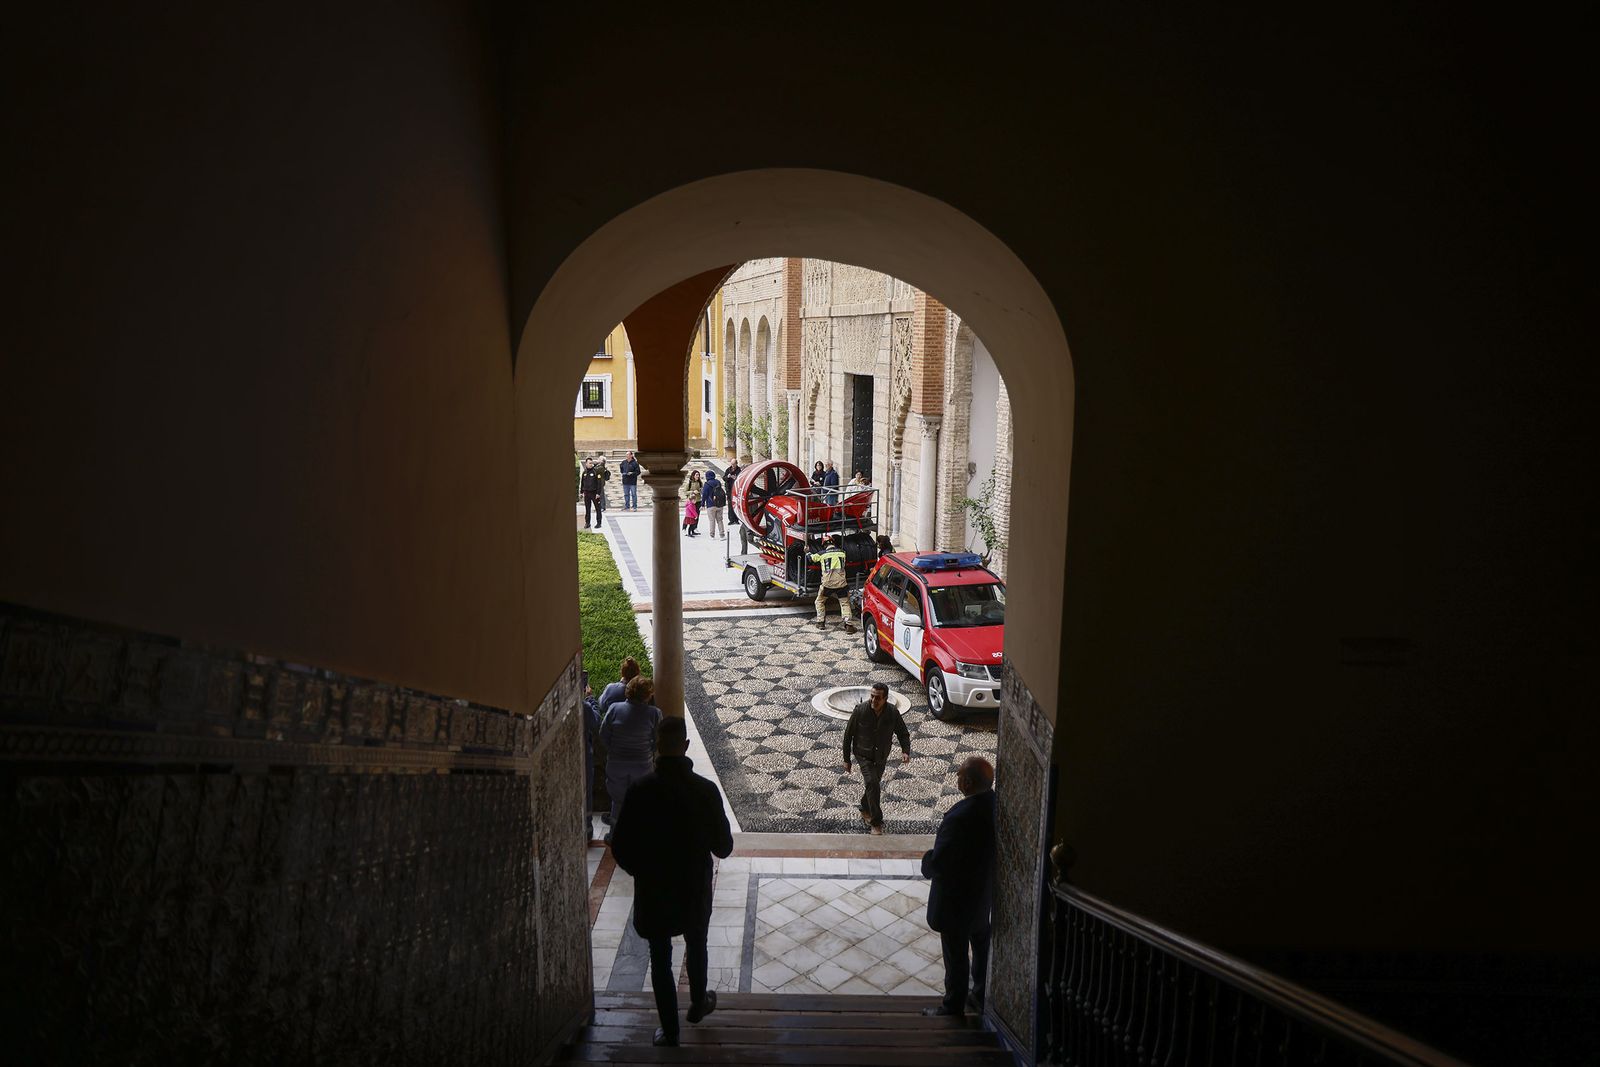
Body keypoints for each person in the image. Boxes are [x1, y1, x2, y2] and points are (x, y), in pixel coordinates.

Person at [609, 715, 734, 1048]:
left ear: (657, 746)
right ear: (686, 746)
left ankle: (670, 1031)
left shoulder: (640, 791)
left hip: (655, 890)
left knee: (660, 958)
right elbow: (724, 847)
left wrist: (642, 871)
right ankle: (698, 1003)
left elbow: (619, 847)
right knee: (697, 944)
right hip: (693, 889)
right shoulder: (705, 791)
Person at [920, 757, 997, 1018]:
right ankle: (980, 996)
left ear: (968, 782)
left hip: (955, 900)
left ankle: (953, 1007)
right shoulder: (995, 805)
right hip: (981, 895)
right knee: (981, 945)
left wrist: (927, 861)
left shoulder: (960, 817)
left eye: (959, 775)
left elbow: (940, 862)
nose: (956, 778)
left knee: (955, 955)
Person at [842, 682, 910, 835]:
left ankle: (865, 806)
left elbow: (903, 733)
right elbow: (848, 735)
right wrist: (846, 759)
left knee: (873, 784)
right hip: (863, 754)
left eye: (877, 698)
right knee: (872, 782)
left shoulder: (892, 712)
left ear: (885, 698)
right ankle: (876, 822)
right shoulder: (860, 711)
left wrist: (905, 750)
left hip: (881, 755)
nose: (873, 700)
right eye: (872, 696)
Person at [599, 675, 661, 834]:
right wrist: (648, 752)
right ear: (648, 695)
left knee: (617, 802)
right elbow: (658, 739)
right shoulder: (654, 714)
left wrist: (613, 749)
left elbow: (603, 734)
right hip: (642, 766)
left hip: (616, 764)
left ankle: (615, 835)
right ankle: (640, 835)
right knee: (642, 801)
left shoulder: (614, 709)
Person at [596, 657, 643, 827]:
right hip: (641, 759)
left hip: (617, 756)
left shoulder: (613, 697)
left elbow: (603, 731)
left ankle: (615, 830)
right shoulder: (650, 710)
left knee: (617, 796)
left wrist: (612, 748)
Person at [808, 533, 855, 633]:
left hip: (827, 584)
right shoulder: (842, 553)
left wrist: (807, 552)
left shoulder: (822, 554)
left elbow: (811, 559)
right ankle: (848, 625)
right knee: (844, 603)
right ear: (833, 543)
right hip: (841, 583)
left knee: (819, 602)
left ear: (824, 545)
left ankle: (821, 622)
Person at [582, 671, 601, 834]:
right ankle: (587, 830)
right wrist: (591, 699)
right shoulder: (585, 707)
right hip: (584, 754)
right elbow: (595, 723)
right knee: (586, 790)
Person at [702, 468, 726, 540]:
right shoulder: (718, 482)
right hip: (719, 504)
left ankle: (712, 535)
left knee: (712, 520)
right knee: (720, 520)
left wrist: (702, 504)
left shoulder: (707, 484)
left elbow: (704, 495)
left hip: (710, 505)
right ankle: (722, 535)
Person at [580, 458, 605, 529]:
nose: (591, 464)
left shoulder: (596, 472)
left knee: (598, 509)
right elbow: (582, 483)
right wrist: (581, 492)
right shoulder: (584, 472)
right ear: (586, 464)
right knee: (587, 509)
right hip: (586, 493)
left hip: (594, 493)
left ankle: (599, 523)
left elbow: (599, 484)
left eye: (591, 463)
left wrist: (598, 493)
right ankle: (587, 523)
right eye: (589, 463)